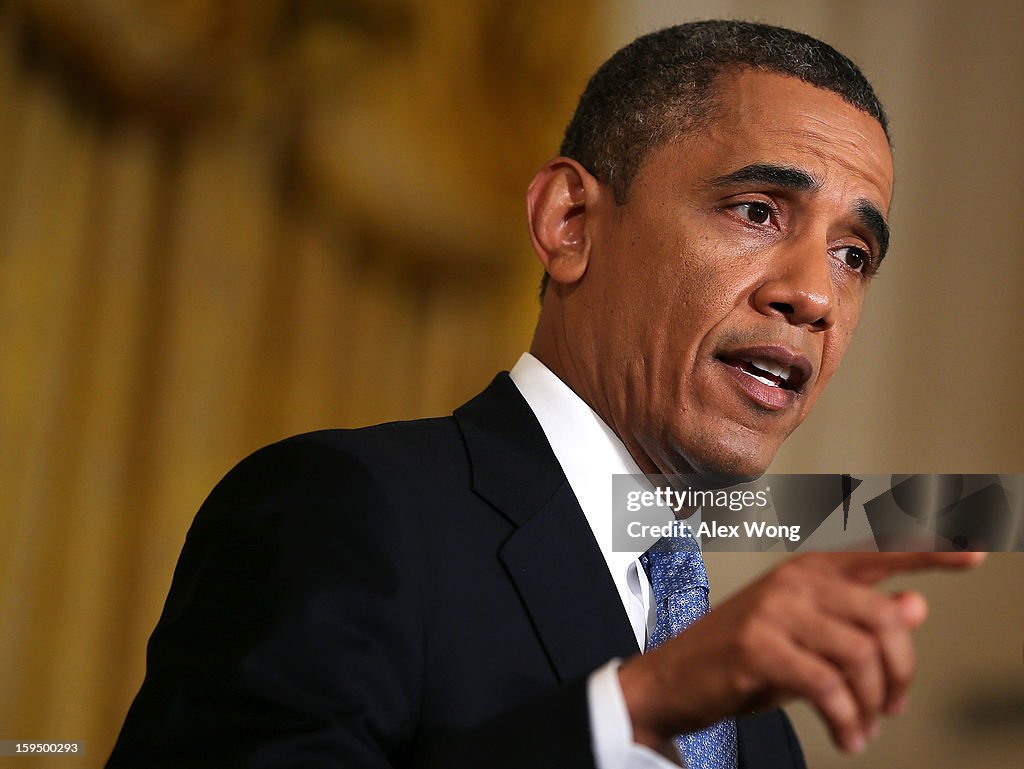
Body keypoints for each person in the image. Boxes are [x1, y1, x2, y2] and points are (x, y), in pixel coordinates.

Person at [106, 20, 985, 769]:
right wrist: (633, 710)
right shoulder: (345, 512)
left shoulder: (758, 728)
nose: (816, 297)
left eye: (853, 256)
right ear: (568, 223)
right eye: (756, 210)